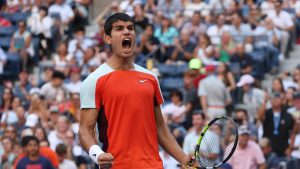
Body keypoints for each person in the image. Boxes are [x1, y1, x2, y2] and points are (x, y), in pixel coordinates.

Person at [79, 13, 192, 169]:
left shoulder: (151, 78)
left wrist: (184, 159)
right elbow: (85, 129)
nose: (126, 32)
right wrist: (97, 154)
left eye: (130, 28)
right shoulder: (93, 80)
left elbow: (160, 127)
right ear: (108, 39)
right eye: (119, 28)